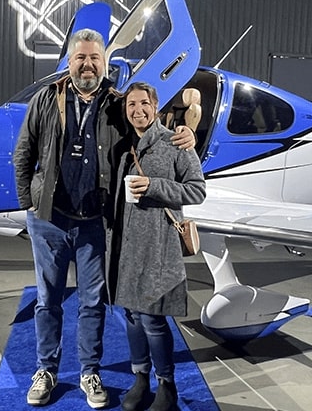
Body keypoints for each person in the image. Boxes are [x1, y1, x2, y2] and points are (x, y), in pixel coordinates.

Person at [13, 29, 196, 408]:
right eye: (80, 58)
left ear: (103, 62)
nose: (87, 64)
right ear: (69, 61)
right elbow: (23, 152)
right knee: (48, 300)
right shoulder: (46, 99)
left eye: (94, 58)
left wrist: (186, 133)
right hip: (48, 220)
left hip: (95, 222)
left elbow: (148, 129)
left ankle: (89, 372)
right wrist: (28, 204)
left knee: (92, 302)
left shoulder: (117, 104)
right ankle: (46, 369)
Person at [109, 82, 206, 411]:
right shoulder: (123, 148)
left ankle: (167, 384)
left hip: (159, 246)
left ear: (155, 106)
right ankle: (140, 378)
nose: (137, 110)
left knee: (152, 319)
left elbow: (197, 191)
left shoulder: (176, 142)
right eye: (131, 105)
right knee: (133, 317)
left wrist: (155, 186)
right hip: (126, 247)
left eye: (143, 104)